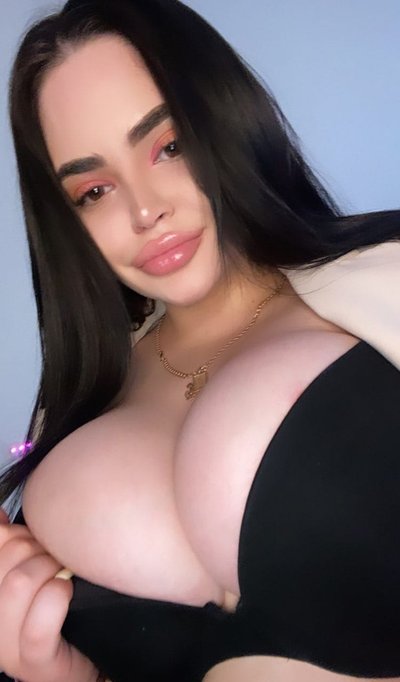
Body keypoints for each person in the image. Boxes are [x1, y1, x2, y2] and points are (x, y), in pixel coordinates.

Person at [0, 1, 399, 681]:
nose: (144, 209)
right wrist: (60, 672)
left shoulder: (384, 280)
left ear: (223, 118)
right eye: (94, 190)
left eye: (169, 146)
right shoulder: (72, 410)